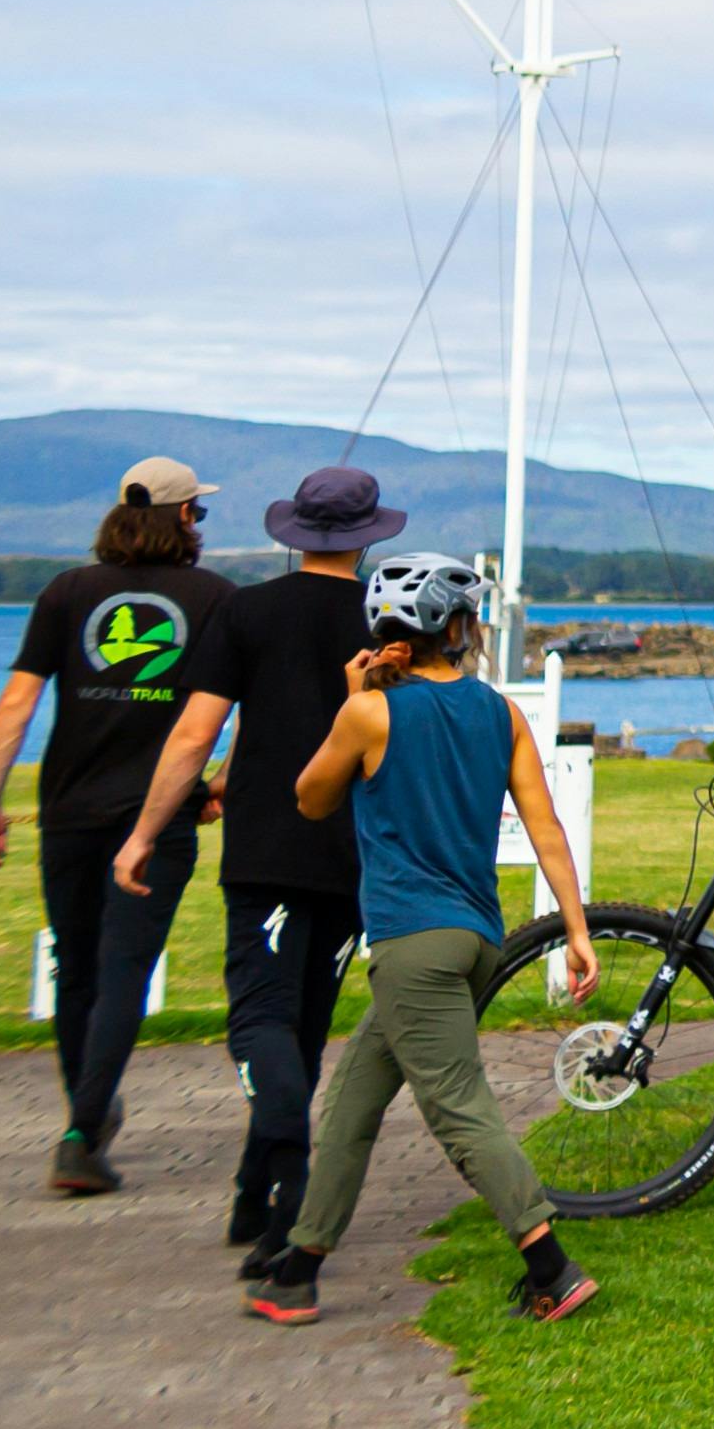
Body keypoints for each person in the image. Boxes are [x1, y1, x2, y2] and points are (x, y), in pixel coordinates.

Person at [249, 550, 602, 1328]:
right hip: (477, 938)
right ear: (458, 627)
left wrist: (353, 697)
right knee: (353, 1099)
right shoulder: (499, 710)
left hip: (410, 943)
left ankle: (552, 1266)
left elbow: (310, 798)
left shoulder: (370, 712)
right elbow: (545, 827)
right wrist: (575, 930)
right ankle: (298, 1268)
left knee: (459, 1107)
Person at [113, 460, 394, 1279]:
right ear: (370, 536)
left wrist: (143, 833)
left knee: (258, 1021)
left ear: (293, 531)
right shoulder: (385, 626)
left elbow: (194, 732)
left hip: (267, 850)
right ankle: (255, 1190)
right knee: (302, 1025)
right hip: (352, 850)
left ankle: (294, 1190)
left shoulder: (247, 611)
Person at [0, 456, 241, 1195]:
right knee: (125, 967)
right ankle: (83, 1132)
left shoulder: (67, 591)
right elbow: (253, 705)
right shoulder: (217, 598)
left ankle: (84, 1113)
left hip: (67, 809)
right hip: (159, 818)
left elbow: (18, 703)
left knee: (78, 968)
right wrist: (221, 780)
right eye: (200, 513)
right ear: (184, 517)